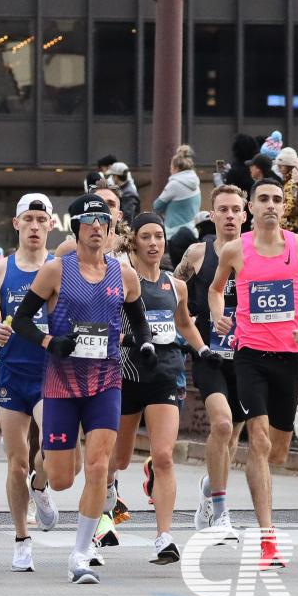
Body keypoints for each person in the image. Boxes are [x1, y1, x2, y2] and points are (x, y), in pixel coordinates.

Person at [11, 193, 153, 584]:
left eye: (102, 223)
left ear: (110, 232)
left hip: (106, 382)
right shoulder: (56, 270)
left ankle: (80, 553)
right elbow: (21, 321)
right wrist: (49, 343)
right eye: (89, 222)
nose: (96, 228)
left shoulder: (124, 275)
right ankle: (39, 484)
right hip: (60, 383)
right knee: (61, 476)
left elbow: (139, 323)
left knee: (98, 466)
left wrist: (145, 346)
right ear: (76, 228)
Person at [209, 178, 298, 569]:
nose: (270, 205)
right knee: (259, 441)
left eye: (277, 200)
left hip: (288, 356)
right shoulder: (235, 250)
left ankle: (258, 495)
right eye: (262, 199)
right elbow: (215, 290)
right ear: (250, 206)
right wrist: (218, 314)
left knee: (278, 451)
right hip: (249, 354)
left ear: (284, 207)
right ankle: (267, 538)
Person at [117, 212, 220, 565]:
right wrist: (132, 338)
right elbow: (111, 326)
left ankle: (164, 537)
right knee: (117, 457)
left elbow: (184, 324)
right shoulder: (123, 280)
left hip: (166, 372)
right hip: (129, 373)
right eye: (145, 237)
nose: (153, 243)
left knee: (163, 456)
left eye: (158, 237)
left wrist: (204, 350)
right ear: (134, 242)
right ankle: (106, 505)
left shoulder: (175, 285)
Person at [0, 193, 60, 572]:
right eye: (27, 219)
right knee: (15, 462)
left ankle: (41, 486)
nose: (34, 226)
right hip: (13, 373)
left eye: (40, 219)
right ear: (16, 224)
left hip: (51, 372)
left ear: (51, 224)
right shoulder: (0, 270)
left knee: (53, 449)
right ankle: (21, 538)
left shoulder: (61, 268)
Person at [174, 185, 248, 541]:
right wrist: (187, 330)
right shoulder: (197, 252)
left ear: (244, 215)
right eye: (224, 209)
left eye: (236, 209)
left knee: (232, 436)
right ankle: (220, 511)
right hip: (210, 353)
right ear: (212, 214)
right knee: (220, 425)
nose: (230, 215)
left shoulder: (256, 252)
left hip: (248, 357)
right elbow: (172, 292)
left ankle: (208, 487)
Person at [153, 145, 201, 238]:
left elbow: (157, 205)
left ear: (176, 168)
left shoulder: (175, 184)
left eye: (171, 166)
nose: (170, 169)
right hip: (191, 230)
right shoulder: (195, 181)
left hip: (174, 232)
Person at [273, 148, 298, 234]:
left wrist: (277, 213)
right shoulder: (294, 178)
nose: (279, 168)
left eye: (281, 165)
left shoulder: (292, 183)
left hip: (292, 227)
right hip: (296, 226)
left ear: (288, 165)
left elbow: (291, 208)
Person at [105, 161, 141, 225]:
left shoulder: (128, 194)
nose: (112, 178)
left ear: (116, 176)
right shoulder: (124, 190)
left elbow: (127, 218)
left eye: (112, 175)